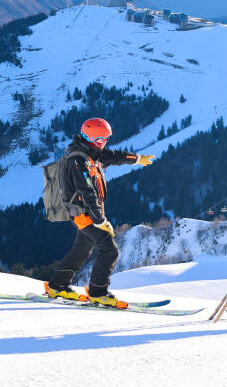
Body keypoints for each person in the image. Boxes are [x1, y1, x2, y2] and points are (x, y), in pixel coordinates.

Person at [44, 117, 155, 308]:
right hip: (84, 214)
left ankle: (57, 285)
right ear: (92, 138)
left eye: (106, 139)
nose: (105, 143)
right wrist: (100, 220)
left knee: (82, 249)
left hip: (86, 213)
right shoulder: (79, 161)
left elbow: (113, 156)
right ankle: (98, 292)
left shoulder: (91, 153)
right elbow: (87, 192)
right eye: (102, 139)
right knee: (109, 250)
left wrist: (136, 159)